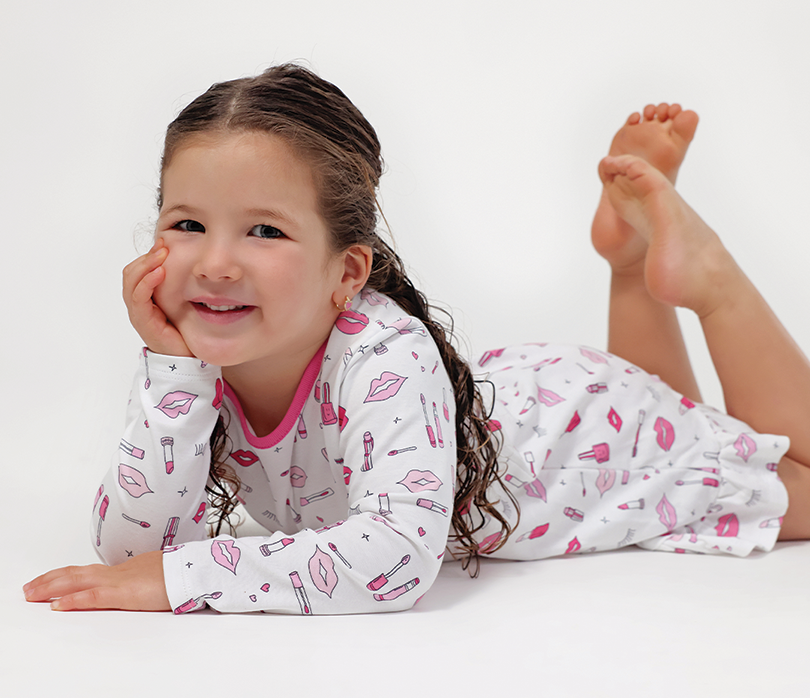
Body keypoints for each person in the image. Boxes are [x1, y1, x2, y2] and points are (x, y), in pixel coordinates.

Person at [22, 67, 810, 615]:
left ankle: (710, 278)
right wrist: (173, 371)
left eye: (264, 231)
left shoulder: (383, 350)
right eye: (187, 223)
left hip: (581, 437)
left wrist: (185, 579)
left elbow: (393, 558)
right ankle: (631, 263)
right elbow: (134, 552)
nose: (215, 263)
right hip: (549, 401)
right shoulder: (202, 359)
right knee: (678, 411)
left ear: (346, 272)